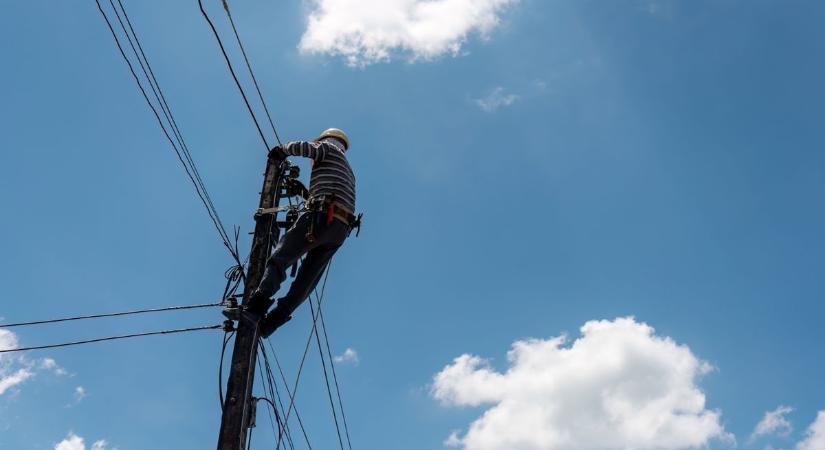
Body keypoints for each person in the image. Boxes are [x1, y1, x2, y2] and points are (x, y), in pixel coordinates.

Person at [247, 128, 357, 338]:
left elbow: (307, 148)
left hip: (321, 217)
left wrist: (282, 150)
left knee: (280, 258)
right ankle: (272, 323)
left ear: (326, 139)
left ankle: (256, 308)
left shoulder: (328, 148)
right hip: (340, 230)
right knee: (307, 281)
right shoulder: (348, 169)